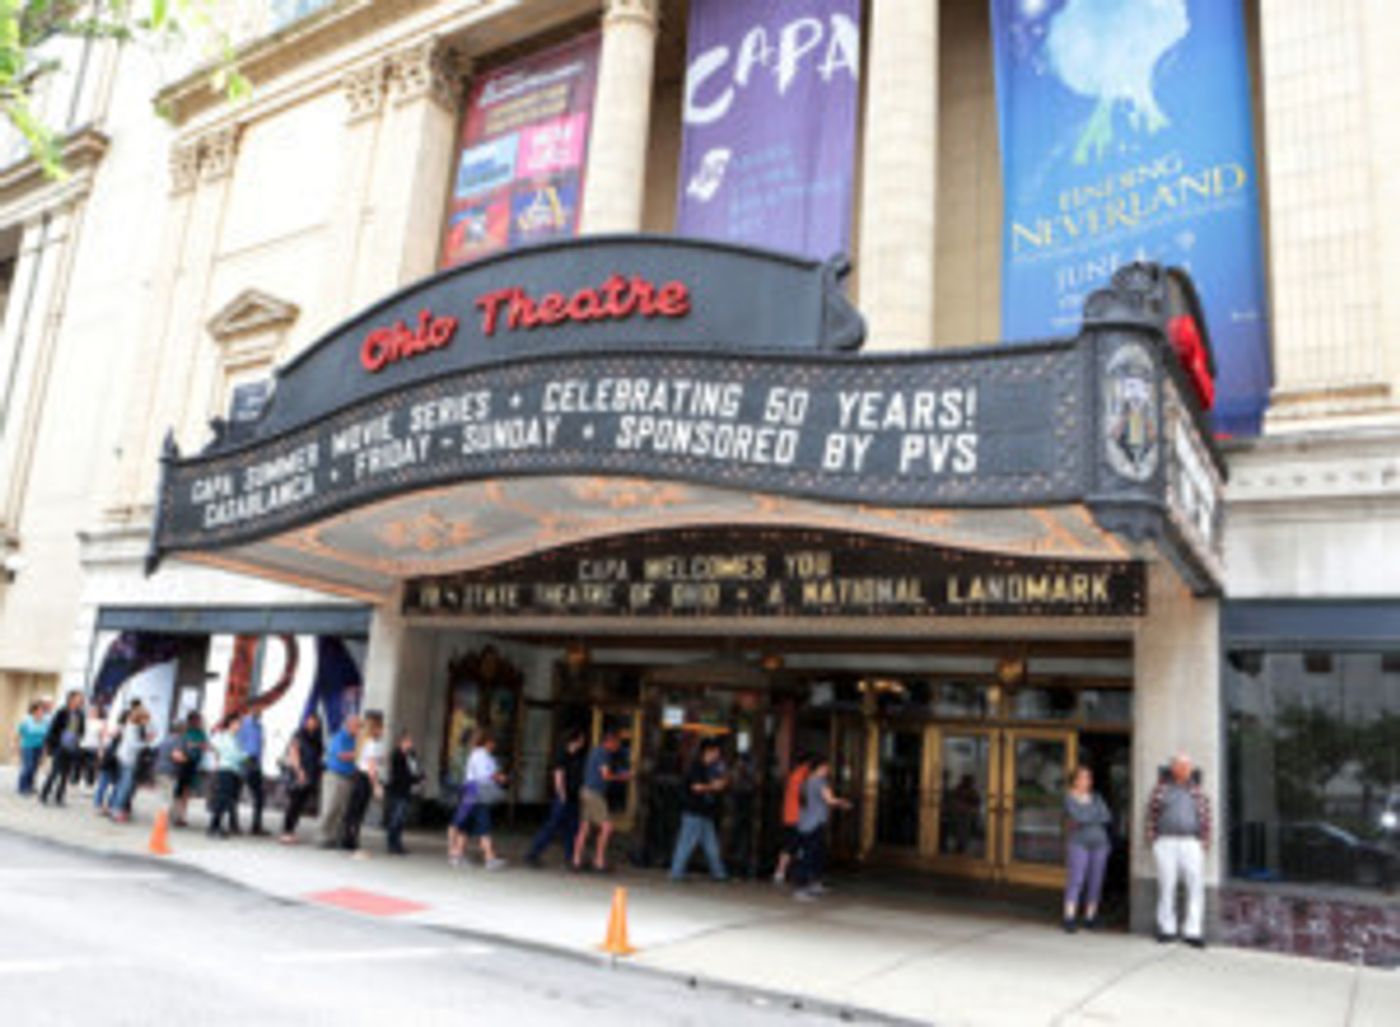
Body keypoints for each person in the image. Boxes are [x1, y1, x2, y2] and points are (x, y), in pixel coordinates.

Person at [1146, 752, 1212, 948]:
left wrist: (1205, 841)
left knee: (1195, 886)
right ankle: (1167, 929)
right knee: (1167, 885)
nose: (1184, 769)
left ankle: (1193, 931)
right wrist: (1153, 840)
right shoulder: (1161, 789)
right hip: (1166, 842)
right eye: (1180, 766)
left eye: (1187, 766)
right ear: (1173, 768)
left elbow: (1206, 816)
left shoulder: (1197, 790)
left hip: (1191, 842)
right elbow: (1151, 814)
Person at [668, 738, 730, 883]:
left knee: (711, 844)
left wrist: (721, 783)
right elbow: (695, 787)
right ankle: (676, 872)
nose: (718, 755)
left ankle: (719, 873)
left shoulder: (711, 768)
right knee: (687, 842)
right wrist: (713, 786)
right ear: (708, 751)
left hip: (705, 811)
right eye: (716, 751)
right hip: (693, 810)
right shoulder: (696, 766)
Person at [793, 755, 851, 901]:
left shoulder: (805, 782)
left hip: (805, 822)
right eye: (826, 767)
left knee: (811, 853)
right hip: (815, 822)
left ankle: (812, 884)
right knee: (812, 855)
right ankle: (803, 888)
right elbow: (830, 800)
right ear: (819, 768)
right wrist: (843, 803)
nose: (828, 770)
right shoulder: (820, 782)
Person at [1063, 764, 1113, 932]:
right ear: (1075, 780)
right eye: (1083, 777)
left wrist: (1086, 816)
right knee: (1076, 879)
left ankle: (1090, 917)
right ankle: (1069, 917)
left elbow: (1106, 816)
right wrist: (1093, 816)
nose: (1087, 781)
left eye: (1089, 777)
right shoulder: (1069, 798)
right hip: (1079, 842)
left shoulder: (1097, 798)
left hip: (1100, 843)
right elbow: (1078, 817)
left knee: (1096, 880)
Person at [573, 729, 630, 873]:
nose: (618, 747)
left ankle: (576, 860)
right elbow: (605, 775)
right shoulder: (603, 754)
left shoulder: (595, 752)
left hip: (585, 791)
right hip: (595, 793)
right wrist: (622, 777)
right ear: (610, 742)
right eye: (617, 743)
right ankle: (598, 861)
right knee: (606, 827)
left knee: (584, 827)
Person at [457, 730, 508, 869]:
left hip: (470, 790)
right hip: (478, 792)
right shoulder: (481, 755)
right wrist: (499, 777)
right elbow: (484, 774)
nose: (494, 745)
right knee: (483, 824)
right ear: (488, 742)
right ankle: (489, 857)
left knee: (467, 825)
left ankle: (458, 855)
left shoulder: (479, 755)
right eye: (493, 742)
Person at [342, 711, 384, 856]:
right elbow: (371, 767)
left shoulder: (363, 741)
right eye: (381, 727)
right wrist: (376, 785)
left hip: (359, 776)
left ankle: (348, 839)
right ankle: (352, 841)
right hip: (365, 778)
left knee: (354, 810)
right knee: (358, 811)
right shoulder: (372, 743)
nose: (383, 730)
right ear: (375, 728)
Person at [317, 713, 360, 849]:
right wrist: (359, 753)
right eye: (357, 726)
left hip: (348, 777)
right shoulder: (339, 737)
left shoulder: (356, 740)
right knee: (330, 806)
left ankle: (333, 837)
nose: (359, 728)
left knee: (342, 809)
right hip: (334, 776)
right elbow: (342, 755)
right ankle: (322, 836)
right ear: (349, 725)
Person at [280, 712, 324, 844]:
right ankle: (286, 831)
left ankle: (291, 831)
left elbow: (319, 757)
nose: (312, 723)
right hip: (298, 773)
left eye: (315, 721)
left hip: (311, 774)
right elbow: (294, 753)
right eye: (310, 720)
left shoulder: (317, 739)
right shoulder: (299, 735)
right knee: (294, 803)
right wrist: (299, 771)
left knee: (300, 805)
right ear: (306, 722)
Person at [39, 691, 86, 806]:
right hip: (60, 746)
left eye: (81, 699)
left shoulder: (80, 714)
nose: (80, 701)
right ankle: (44, 794)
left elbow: (82, 730)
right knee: (54, 772)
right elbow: (53, 729)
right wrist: (51, 745)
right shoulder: (62, 712)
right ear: (71, 699)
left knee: (66, 774)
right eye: (78, 698)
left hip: (72, 746)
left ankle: (59, 797)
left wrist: (77, 739)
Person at [773, 753, 812, 885]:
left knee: (791, 845)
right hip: (796, 817)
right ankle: (783, 872)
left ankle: (784, 872)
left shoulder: (795, 775)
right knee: (792, 845)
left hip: (790, 816)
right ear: (807, 764)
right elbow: (803, 797)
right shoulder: (800, 776)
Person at [384, 730, 423, 855]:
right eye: (408, 741)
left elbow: (416, 768)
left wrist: (420, 776)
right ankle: (392, 844)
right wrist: (415, 779)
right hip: (397, 789)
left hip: (406, 790)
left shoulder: (411, 755)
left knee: (402, 818)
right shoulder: (396, 755)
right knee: (396, 817)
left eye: (410, 742)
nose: (411, 744)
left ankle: (398, 843)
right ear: (402, 742)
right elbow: (401, 774)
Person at [110, 705, 151, 823]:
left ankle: (115, 808)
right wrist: (146, 743)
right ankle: (116, 810)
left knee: (122, 785)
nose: (146, 722)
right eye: (145, 719)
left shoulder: (132, 727)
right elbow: (133, 745)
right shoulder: (132, 728)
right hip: (127, 759)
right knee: (125, 786)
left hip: (125, 758)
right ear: (139, 718)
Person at [206, 717, 246, 838]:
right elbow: (231, 754)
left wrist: (242, 756)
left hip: (234, 771)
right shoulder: (223, 737)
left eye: (240, 724)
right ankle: (213, 827)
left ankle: (217, 825)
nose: (239, 726)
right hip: (225, 769)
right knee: (222, 799)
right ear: (230, 724)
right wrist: (244, 756)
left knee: (226, 799)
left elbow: (237, 754)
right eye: (237, 723)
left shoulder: (235, 739)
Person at [169, 712, 208, 828]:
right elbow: (187, 744)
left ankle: (182, 815)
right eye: (197, 720)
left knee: (187, 791)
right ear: (191, 721)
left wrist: (198, 745)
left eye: (199, 720)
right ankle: (175, 814)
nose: (199, 722)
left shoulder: (201, 732)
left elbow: (205, 746)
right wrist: (197, 745)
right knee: (178, 790)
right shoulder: (186, 732)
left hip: (194, 764)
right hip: (183, 763)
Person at [236, 711, 268, 836]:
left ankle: (256, 826)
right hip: (244, 761)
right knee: (236, 794)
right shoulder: (243, 722)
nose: (261, 710)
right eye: (258, 707)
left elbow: (259, 746)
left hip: (256, 763)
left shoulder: (259, 726)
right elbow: (237, 740)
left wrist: (260, 763)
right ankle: (234, 824)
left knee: (259, 795)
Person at [15, 701, 50, 795]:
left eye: (42, 710)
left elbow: (46, 738)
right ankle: (22, 787)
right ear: (34, 711)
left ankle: (30, 785)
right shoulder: (27, 721)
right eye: (39, 710)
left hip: (39, 748)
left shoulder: (45, 722)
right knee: (28, 767)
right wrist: (17, 747)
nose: (41, 712)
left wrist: (45, 751)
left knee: (35, 768)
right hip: (27, 747)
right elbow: (19, 734)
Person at [93, 711, 125, 814]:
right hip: (113, 759)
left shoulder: (117, 728)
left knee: (107, 783)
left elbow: (104, 741)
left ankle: (101, 805)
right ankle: (103, 805)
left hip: (111, 758)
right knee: (108, 783)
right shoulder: (119, 729)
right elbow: (104, 740)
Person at [77, 705, 103, 788]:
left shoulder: (100, 723)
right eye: (92, 711)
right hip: (82, 745)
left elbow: (101, 736)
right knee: (79, 764)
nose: (93, 713)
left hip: (93, 747)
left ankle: (89, 782)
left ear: (98, 713)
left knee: (91, 766)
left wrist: (101, 749)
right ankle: (76, 780)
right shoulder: (85, 721)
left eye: (95, 711)